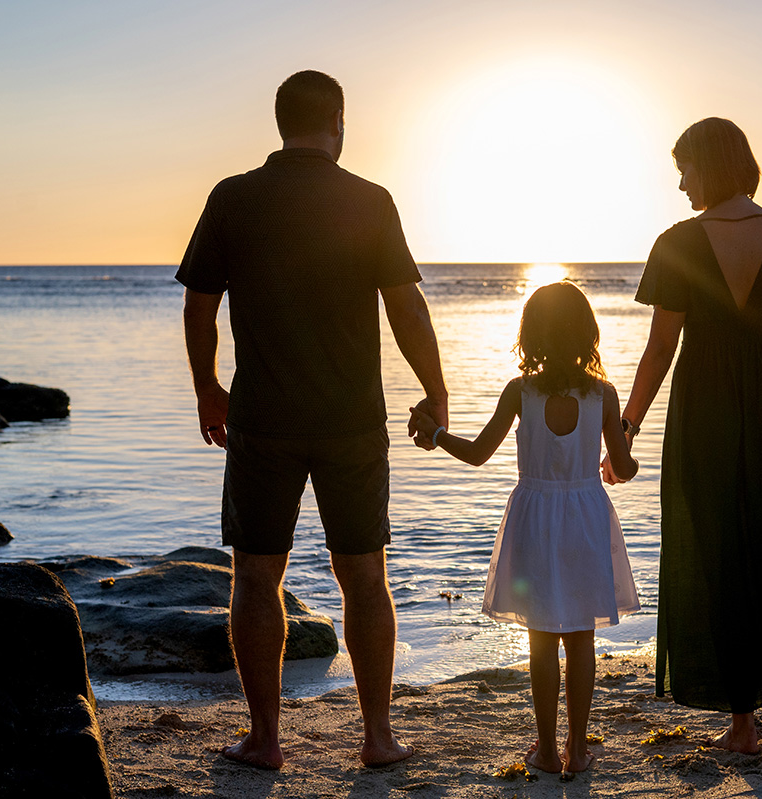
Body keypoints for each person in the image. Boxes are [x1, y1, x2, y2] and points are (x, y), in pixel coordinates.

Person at [177, 70, 448, 770]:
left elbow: (199, 306)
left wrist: (208, 387)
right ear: (338, 119)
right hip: (351, 418)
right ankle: (379, 736)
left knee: (257, 575)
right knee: (365, 575)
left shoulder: (234, 198)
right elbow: (406, 307)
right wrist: (437, 388)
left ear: (279, 122)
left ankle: (265, 739)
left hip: (263, 416)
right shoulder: (368, 199)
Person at [603, 117, 762, 754]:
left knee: (717, 553)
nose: (679, 183)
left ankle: (740, 725)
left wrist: (626, 430)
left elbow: (659, 349)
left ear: (711, 165)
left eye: (685, 168)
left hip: (704, 404)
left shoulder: (677, 241)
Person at [408, 281, 640, 774]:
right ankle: (579, 751)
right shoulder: (604, 395)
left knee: (541, 640)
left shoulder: (521, 392)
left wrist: (436, 433)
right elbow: (625, 467)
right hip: (585, 519)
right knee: (581, 638)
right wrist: (620, 454)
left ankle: (547, 750)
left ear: (531, 335)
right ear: (586, 334)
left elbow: (476, 454)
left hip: (535, 520)